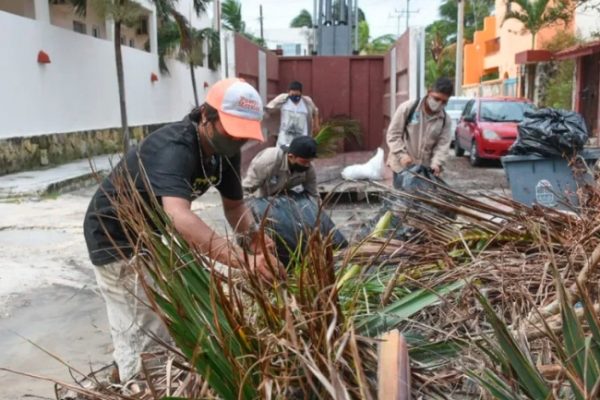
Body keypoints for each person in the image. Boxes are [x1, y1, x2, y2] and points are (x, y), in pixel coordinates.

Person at [83, 78, 282, 383]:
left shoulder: (225, 151)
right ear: (206, 115)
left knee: (152, 315)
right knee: (148, 331)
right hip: (114, 234)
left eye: (243, 136)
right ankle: (139, 386)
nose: (236, 142)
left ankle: (117, 376)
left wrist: (253, 238)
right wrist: (244, 262)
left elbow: (234, 208)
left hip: (149, 236)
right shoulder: (175, 146)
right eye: (231, 132)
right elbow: (179, 217)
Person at [386, 77, 453, 186]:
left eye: (444, 102)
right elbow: (393, 135)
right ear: (429, 92)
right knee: (402, 200)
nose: (439, 104)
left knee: (420, 201)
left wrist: (437, 164)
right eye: (436, 99)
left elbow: (442, 146)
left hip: (424, 172)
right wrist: (402, 155)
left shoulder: (445, 120)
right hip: (402, 167)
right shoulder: (408, 108)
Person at [243, 136, 318, 198]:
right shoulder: (267, 163)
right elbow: (244, 191)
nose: (307, 165)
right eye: (304, 162)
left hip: (286, 199)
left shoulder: (308, 167)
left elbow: (313, 194)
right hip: (264, 199)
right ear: (291, 157)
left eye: (310, 161)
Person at [265, 80, 320, 148]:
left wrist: (316, 124)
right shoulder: (282, 99)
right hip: (285, 138)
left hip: (302, 137)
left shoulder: (307, 102)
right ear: (288, 92)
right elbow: (269, 108)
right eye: (292, 94)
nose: (294, 97)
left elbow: (315, 111)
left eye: (297, 95)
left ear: (301, 93)